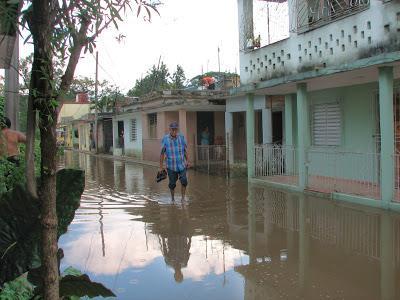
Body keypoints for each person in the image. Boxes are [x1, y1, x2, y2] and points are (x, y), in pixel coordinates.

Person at [160, 121, 189, 201]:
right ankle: (172, 199)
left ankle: (183, 198)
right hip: (171, 166)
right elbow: (162, 153)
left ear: (177, 129)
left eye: (175, 129)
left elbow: (185, 150)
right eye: (172, 129)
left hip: (182, 164)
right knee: (172, 184)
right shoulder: (165, 139)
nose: (174, 131)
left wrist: (187, 161)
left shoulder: (181, 137)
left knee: (184, 181)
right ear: (170, 129)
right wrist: (161, 167)